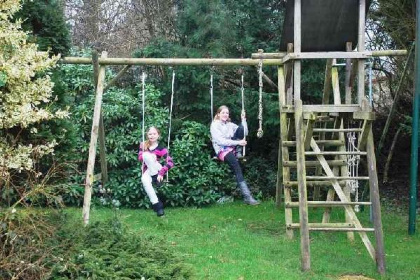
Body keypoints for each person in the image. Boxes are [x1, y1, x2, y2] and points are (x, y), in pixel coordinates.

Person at [210, 105, 259, 205]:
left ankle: (239, 152)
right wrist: (238, 143)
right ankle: (247, 197)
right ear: (218, 114)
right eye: (223, 113)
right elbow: (221, 141)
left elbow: (244, 132)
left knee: (240, 128)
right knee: (237, 167)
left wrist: (243, 120)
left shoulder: (229, 124)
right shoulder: (215, 125)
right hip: (222, 150)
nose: (225, 115)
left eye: (227, 113)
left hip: (232, 148)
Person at [138, 126, 174, 216]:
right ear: (147, 135)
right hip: (148, 170)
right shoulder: (143, 145)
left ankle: (156, 176)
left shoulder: (161, 148)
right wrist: (151, 155)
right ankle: (158, 206)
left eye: (154, 134)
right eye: (150, 134)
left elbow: (170, 162)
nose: (152, 136)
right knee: (144, 180)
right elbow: (140, 158)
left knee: (147, 155)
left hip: (157, 169)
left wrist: (161, 173)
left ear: (158, 135)